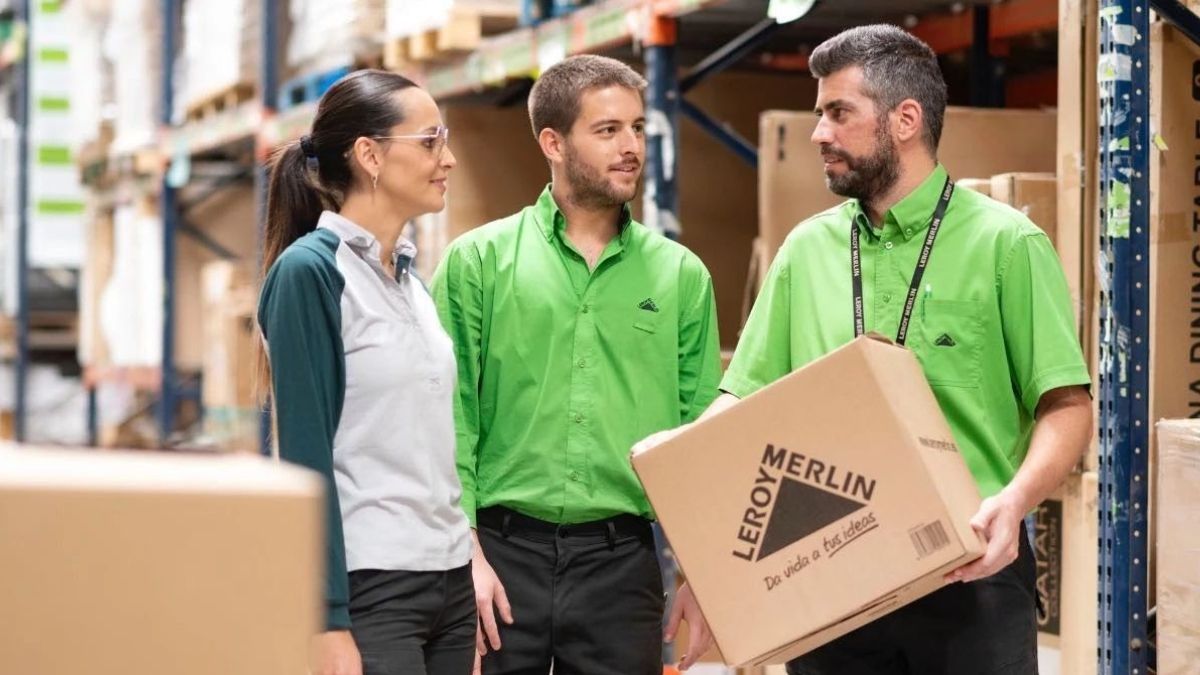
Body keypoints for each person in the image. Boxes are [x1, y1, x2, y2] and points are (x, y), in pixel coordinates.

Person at [635, 25, 1093, 675]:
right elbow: (744, 396)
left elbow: (1067, 404)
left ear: (905, 120)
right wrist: (686, 468)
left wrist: (1015, 499)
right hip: (829, 570)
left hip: (969, 576)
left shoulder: (1006, 245)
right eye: (819, 114)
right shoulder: (806, 250)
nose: (819, 133)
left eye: (838, 112)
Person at [430, 54, 723, 674]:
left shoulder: (681, 276)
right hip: (502, 558)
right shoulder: (478, 263)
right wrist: (466, 554)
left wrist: (705, 573)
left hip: (623, 566)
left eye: (639, 129)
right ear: (552, 142)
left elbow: (701, 435)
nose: (631, 147)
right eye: (608, 130)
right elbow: (448, 419)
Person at [257, 69, 475, 675]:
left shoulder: (412, 284)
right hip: (371, 588)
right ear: (370, 155)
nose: (448, 159)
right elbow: (304, 459)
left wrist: (466, 565)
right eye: (430, 142)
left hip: (448, 583)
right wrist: (324, 619)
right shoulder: (311, 275)